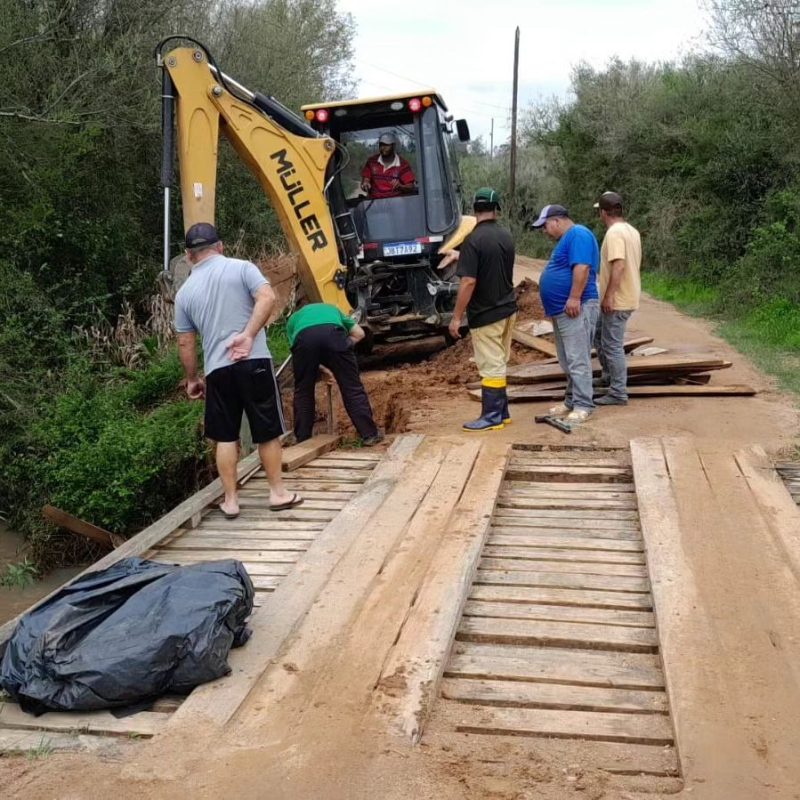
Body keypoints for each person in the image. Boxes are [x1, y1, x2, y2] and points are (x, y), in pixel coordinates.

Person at [174, 222, 302, 519]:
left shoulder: (184, 293)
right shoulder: (242, 268)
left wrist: (193, 379)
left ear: (189, 255)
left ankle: (231, 501)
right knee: (267, 431)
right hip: (254, 360)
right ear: (220, 246)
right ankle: (277, 493)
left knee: (225, 436)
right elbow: (267, 297)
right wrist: (247, 335)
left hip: (218, 370)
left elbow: (185, 341)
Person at [439, 187, 517, 431]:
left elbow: (469, 281)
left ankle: (492, 416)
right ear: (497, 210)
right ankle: (502, 413)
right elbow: (490, 259)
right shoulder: (505, 236)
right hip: (507, 309)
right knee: (499, 361)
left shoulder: (473, 240)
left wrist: (456, 317)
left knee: (490, 364)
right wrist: (461, 255)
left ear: (474, 210)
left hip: (486, 314)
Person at [531, 204, 600, 424]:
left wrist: (573, 297)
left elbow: (582, 268)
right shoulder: (568, 238)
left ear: (557, 221)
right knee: (566, 357)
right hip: (562, 310)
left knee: (577, 357)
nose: (544, 231)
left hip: (575, 307)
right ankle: (571, 400)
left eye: (545, 226)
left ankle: (583, 404)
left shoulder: (578, 234)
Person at [286, 303, 383, 445]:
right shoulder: (334, 309)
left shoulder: (293, 319)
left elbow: (299, 352)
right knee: (352, 388)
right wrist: (344, 345)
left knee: (303, 391)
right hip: (334, 336)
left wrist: (321, 368)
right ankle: (369, 434)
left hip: (304, 340)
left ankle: (302, 438)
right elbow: (360, 334)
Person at [593, 191, 642, 405]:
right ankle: (609, 377)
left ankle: (618, 392)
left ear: (604, 212)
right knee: (599, 335)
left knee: (612, 345)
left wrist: (609, 296)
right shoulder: (632, 231)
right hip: (627, 295)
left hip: (618, 299)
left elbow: (619, 264)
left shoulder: (614, 234)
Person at [360, 132, 416, 198]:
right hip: (374, 202)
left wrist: (401, 186)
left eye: (386, 145)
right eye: (381, 145)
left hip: (396, 202)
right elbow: (366, 180)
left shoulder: (403, 164)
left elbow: (411, 186)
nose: (383, 148)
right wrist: (366, 184)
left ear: (393, 146)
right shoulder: (371, 162)